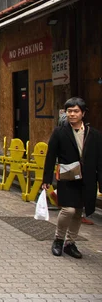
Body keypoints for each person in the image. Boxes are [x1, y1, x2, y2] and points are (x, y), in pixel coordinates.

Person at [43, 97, 102, 259]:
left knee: (78, 212)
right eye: (69, 111)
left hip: (87, 179)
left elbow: (99, 160)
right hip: (68, 178)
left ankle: (70, 243)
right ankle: (58, 239)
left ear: (83, 113)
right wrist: (46, 179)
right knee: (68, 209)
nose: (72, 114)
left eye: (76, 111)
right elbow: (50, 156)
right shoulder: (60, 132)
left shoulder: (94, 134)